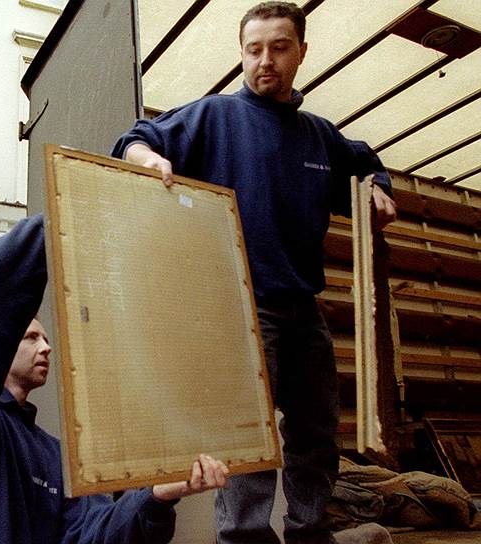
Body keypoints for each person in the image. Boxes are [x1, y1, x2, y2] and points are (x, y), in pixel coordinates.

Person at [111, 3, 397, 544]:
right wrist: (148, 159)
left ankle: (309, 533)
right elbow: (137, 138)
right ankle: (243, 539)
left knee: (317, 434)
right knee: (247, 439)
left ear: (301, 52)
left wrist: (377, 187)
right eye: (254, 49)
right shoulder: (215, 116)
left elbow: (365, 164)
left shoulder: (319, 136)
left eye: (279, 48)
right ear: (242, 54)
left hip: (304, 309)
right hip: (238, 306)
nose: (265, 60)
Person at [0, 215, 230, 543]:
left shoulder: (56, 457)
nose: (46, 348)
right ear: (1, 344)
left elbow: (94, 531)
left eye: (46, 339)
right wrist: (63, 216)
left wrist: (158, 495)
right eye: (31, 338)